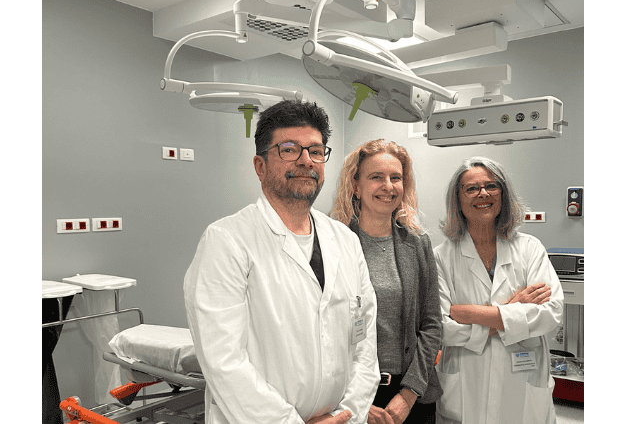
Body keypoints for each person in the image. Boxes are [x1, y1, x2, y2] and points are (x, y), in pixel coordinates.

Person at [184, 100, 380, 424]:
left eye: (316, 151)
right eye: (289, 150)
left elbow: (365, 343)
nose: (306, 160)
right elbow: (224, 361)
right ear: (260, 166)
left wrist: (347, 415)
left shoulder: (345, 241)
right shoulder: (226, 241)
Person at [433, 157, 564, 424]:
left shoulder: (530, 248)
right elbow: (442, 328)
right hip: (466, 386)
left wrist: (467, 313)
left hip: (522, 384)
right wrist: (513, 311)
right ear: (457, 198)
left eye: (491, 186)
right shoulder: (441, 257)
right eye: (471, 188)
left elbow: (551, 313)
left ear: (503, 194)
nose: (483, 193)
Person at [330, 139, 442, 424]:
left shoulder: (418, 244)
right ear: (356, 186)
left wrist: (409, 394)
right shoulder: (333, 244)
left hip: (412, 394)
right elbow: (324, 329)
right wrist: (356, 400)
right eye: (376, 177)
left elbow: (432, 324)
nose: (388, 186)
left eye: (396, 178)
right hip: (351, 394)